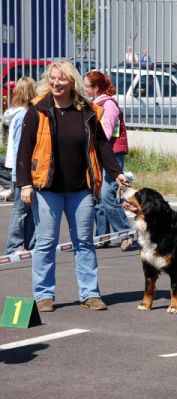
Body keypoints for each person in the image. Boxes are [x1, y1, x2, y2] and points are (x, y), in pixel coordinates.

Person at [16, 60, 129, 312]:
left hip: (81, 189)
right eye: (53, 78)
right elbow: (24, 150)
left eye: (62, 79)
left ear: (71, 82)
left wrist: (117, 174)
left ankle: (90, 294)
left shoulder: (86, 110)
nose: (56, 83)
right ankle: (43, 295)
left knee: (84, 242)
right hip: (47, 189)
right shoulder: (38, 110)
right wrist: (24, 184)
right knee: (45, 243)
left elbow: (101, 145)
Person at [84, 71, 133, 251]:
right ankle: (103, 236)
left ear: (96, 88)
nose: (85, 89)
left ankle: (126, 233)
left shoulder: (109, 105)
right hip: (97, 156)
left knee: (107, 195)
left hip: (112, 156)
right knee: (98, 197)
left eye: (87, 86)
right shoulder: (93, 104)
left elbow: (105, 133)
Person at [4, 77, 37, 254]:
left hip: (17, 168)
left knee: (28, 208)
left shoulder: (15, 114)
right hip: (21, 169)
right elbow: (20, 147)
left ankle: (30, 242)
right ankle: (14, 245)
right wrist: (21, 173)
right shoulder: (24, 115)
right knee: (21, 208)